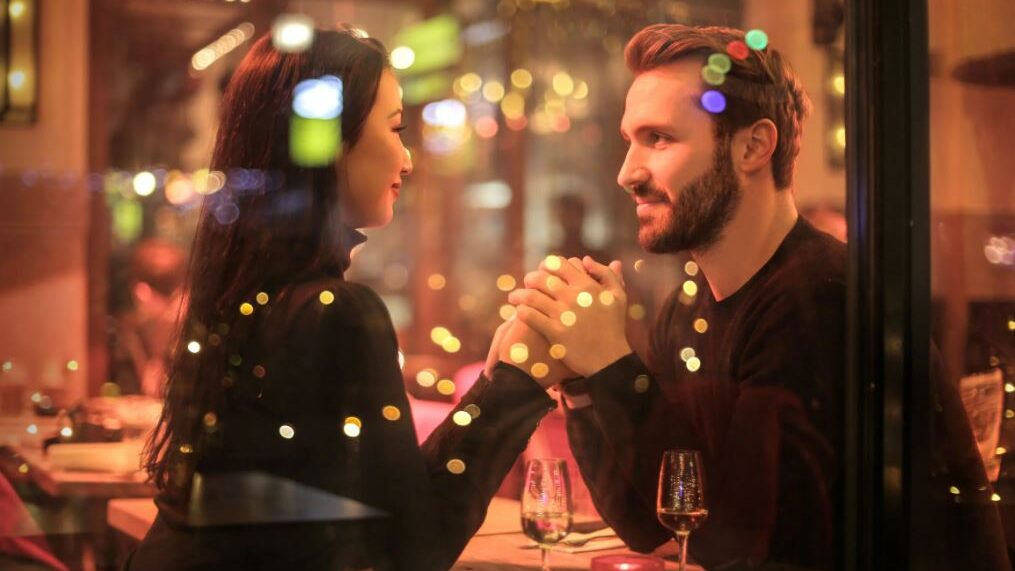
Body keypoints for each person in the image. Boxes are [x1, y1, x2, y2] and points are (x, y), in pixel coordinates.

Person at [502, 24, 1006, 570]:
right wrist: (581, 382)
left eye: (659, 138)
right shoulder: (687, 307)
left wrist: (612, 366)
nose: (628, 173)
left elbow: (745, 545)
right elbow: (650, 521)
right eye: (630, 140)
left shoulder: (821, 298)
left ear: (753, 146)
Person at [127, 27, 560, 571]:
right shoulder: (332, 312)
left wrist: (499, 384)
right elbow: (409, 551)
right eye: (397, 128)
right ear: (330, 142)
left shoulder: (243, 299)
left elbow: (383, 517)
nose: (407, 160)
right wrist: (518, 382)